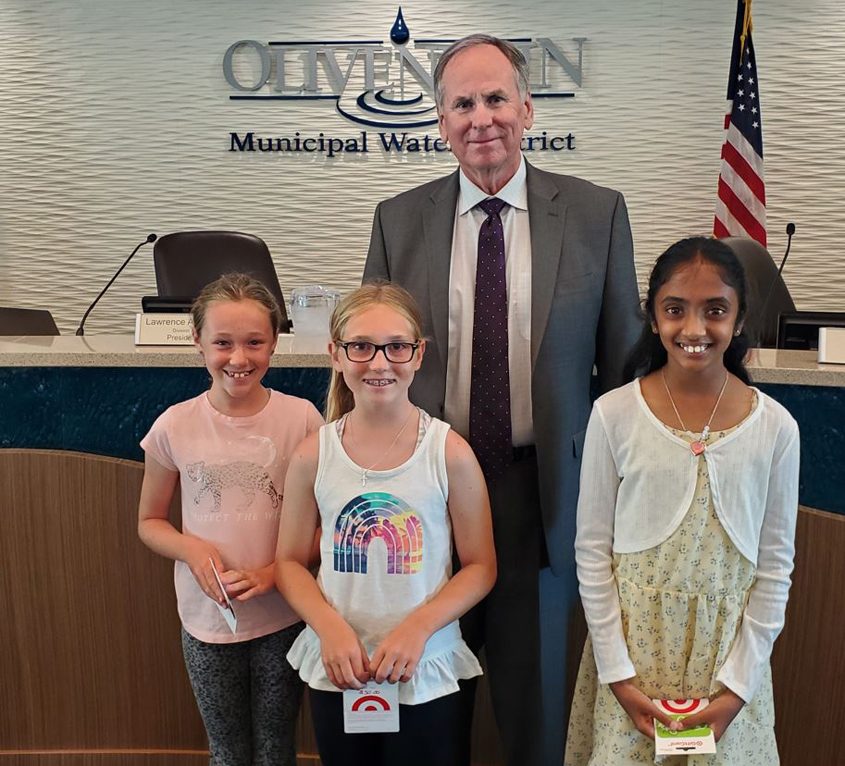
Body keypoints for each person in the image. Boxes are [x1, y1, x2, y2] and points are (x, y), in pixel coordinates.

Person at [363, 33, 641, 765]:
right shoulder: (398, 219)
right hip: (422, 495)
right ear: (439, 119)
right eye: (461, 103)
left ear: (525, 108)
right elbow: (370, 359)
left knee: (536, 710)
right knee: (422, 704)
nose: (479, 117)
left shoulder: (594, 214)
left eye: (494, 99)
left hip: (540, 496)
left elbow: (621, 372)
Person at [565, 237, 800, 765]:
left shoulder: (776, 428)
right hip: (633, 662)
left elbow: (775, 567)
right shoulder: (614, 414)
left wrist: (737, 688)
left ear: (739, 320)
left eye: (715, 311)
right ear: (653, 317)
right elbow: (592, 554)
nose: (694, 330)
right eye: (675, 310)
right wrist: (619, 677)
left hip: (727, 666)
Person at [275, 283, 496, 766]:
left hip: (425, 665)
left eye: (396, 346)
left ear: (418, 355)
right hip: (339, 665)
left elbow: (480, 567)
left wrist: (418, 628)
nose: (379, 363)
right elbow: (289, 562)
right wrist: (329, 627)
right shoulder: (314, 453)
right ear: (335, 354)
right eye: (361, 346)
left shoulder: (449, 452)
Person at [138, 273, 323, 766]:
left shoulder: (304, 419)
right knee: (227, 748)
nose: (238, 359)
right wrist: (192, 548)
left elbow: (329, 528)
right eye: (222, 342)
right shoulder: (174, 424)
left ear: (274, 343)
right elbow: (150, 521)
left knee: (276, 744)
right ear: (197, 341)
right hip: (207, 620)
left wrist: (271, 575)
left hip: (284, 614)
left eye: (254, 343)